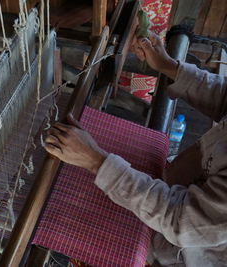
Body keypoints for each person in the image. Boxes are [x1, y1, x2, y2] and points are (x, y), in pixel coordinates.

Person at [44, 32, 227, 267]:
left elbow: (180, 219)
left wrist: (94, 160)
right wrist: (169, 66)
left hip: (175, 249)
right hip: (179, 182)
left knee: (67, 219)